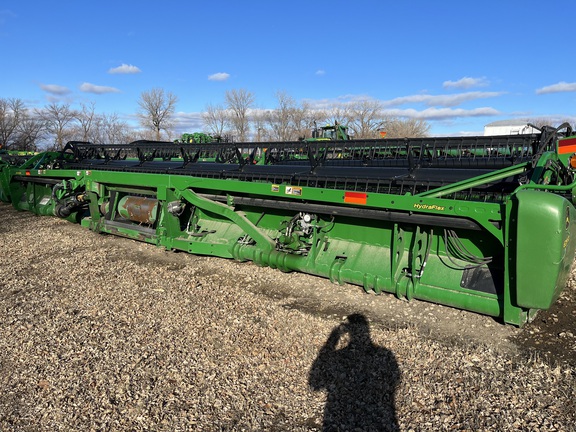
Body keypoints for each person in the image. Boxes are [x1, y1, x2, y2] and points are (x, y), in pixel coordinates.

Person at [309, 313, 401, 431]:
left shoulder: (339, 357)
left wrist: (332, 339)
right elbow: (395, 379)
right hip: (379, 417)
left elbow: (315, 383)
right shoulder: (386, 355)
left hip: (341, 416)